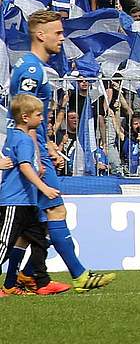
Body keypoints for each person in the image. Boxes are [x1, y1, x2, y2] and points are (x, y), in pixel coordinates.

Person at [10, 10, 113, 293]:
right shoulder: (32, 70)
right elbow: (22, 118)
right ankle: (79, 275)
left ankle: (26, 275)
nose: (62, 37)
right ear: (40, 35)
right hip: (33, 153)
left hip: (39, 148)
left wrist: (50, 144)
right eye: (57, 32)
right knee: (55, 210)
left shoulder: (32, 66)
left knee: (37, 222)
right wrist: (35, 154)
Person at [1, 94, 61, 295]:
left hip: (27, 202)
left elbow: (20, 162)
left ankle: (41, 283)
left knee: (41, 240)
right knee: (4, 246)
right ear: (26, 117)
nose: (42, 118)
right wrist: (44, 188)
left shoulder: (13, 136)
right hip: (14, 201)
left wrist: (39, 166)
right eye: (39, 114)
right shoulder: (24, 140)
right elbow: (25, 166)